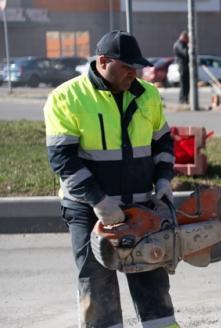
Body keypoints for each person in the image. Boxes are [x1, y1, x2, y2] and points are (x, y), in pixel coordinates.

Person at [44, 30, 177, 327]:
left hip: (142, 207)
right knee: (98, 288)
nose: (134, 73)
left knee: (153, 287)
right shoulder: (66, 97)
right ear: (103, 61)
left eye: (137, 67)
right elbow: (62, 159)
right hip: (89, 211)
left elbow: (163, 144)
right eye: (127, 66)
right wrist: (100, 202)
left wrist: (164, 181)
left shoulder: (147, 94)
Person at [173, 30, 189, 104]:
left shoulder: (182, 44)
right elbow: (185, 53)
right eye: (187, 38)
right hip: (182, 66)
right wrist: (189, 47)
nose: (188, 40)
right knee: (184, 84)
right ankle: (182, 99)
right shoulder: (179, 44)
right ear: (183, 37)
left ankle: (185, 99)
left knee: (187, 84)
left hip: (185, 66)